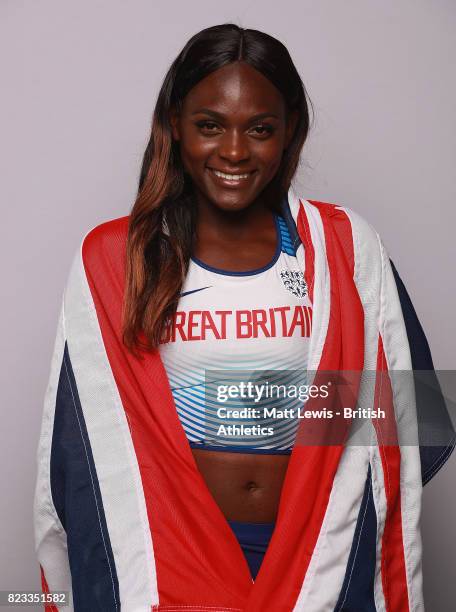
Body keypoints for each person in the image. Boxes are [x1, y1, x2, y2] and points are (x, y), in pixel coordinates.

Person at [34, 24, 454, 611]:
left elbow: (410, 422)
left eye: (260, 129)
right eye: (210, 126)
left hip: (317, 559)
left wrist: (312, 473)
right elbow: (83, 447)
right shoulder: (117, 259)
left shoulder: (341, 249)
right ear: (175, 125)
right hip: (168, 557)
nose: (234, 151)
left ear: (289, 133)